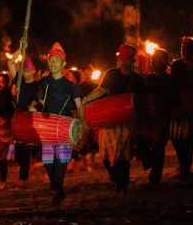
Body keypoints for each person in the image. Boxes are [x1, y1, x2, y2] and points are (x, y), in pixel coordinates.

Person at [83, 44, 146, 193]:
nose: (124, 62)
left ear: (133, 60)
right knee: (105, 154)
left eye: (127, 59)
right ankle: (118, 180)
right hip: (110, 119)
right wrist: (85, 100)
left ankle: (122, 185)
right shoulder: (111, 74)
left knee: (123, 155)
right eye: (122, 59)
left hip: (127, 121)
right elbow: (101, 91)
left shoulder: (138, 80)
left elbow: (142, 102)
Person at [34, 43, 84, 206]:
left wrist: (80, 125)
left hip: (64, 126)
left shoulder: (71, 86)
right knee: (48, 160)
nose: (53, 63)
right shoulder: (44, 82)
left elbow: (79, 106)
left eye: (56, 60)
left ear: (63, 64)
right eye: (51, 60)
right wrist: (31, 107)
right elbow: (39, 102)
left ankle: (56, 189)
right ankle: (58, 189)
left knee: (61, 159)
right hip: (48, 126)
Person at [169, 37, 193, 175]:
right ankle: (182, 162)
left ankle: (185, 167)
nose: (183, 50)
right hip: (177, 106)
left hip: (191, 107)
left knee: (188, 138)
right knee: (175, 137)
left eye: (186, 48)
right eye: (182, 47)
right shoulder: (176, 65)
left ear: (192, 50)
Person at [137, 49, 176, 184]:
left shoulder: (170, 80)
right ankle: (151, 163)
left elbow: (174, 100)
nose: (153, 60)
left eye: (157, 58)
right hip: (148, 117)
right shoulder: (149, 78)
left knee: (159, 145)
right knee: (142, 144)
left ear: (164, 61)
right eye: (153, 58)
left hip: (163, 117)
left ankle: (156, 175)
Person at [9, 54, 39, 186]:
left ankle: (23, 178)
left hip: (30, 117)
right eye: (24, 71)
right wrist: (19, 50)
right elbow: (10, 63)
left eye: (27, 71)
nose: (25, 73)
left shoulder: (37, 85)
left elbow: (38, 101)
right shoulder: (19, 80)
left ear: (32, 71)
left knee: (26, 149)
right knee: (18, 152)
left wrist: (33, 105)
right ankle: (25, 169)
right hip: (19, 117)